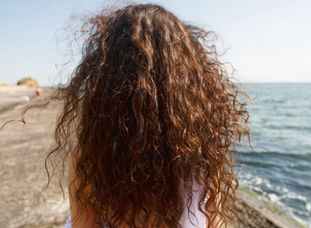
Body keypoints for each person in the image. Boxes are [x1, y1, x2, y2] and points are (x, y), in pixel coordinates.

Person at [42, 3, 250, 228]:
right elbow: (215, 223)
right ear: (187, 79)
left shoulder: (90, 158)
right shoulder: (206, 153)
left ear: (107, 80)